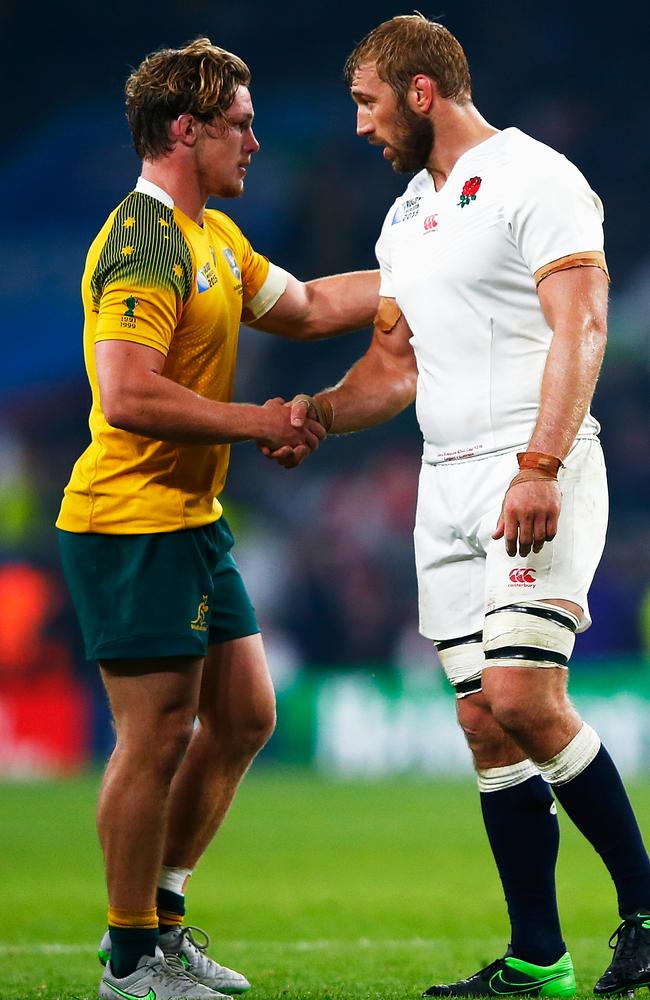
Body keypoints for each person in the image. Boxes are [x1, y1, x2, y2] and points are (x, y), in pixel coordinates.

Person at [268, 14, 650, 998]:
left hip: (534, 466)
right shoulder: (405, 217)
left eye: (364, 101)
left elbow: (584, 323)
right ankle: (536, 956)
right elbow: (391, 372)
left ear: (420, 90)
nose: (357, 124)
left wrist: (537, 460)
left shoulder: (536, 178)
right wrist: (314, 412)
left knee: (525, 696)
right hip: (443, 484)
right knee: (484, 720)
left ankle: (646, 910)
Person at [55, 37, 378, 1000]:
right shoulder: (146, 240)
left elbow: (314, 305)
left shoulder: (215, 240)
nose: (256, 141)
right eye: (240, 124)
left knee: (243, 715)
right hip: (131, 517)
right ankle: (128, 960)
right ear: (184, 131)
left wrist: (423, 275)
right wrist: (258, 420)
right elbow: (125, 394)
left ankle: (162, 922)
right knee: (154, 733)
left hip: (189, 516)